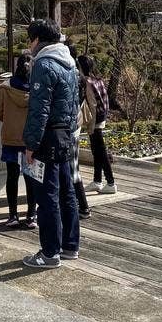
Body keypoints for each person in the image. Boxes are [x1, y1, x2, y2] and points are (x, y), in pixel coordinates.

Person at [21, 18, 79, 269]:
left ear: (36, 40)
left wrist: (31, 144)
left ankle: (49, 253)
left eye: (30, 40)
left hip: (47, 137)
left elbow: (38, 109)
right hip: (66, 133)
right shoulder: (69, 63)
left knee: (47, 196)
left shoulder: (44, 64)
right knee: (67, 192)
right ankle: (70, 246)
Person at [0, 52, 37, 229]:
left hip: (10, 137)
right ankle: (31, 215)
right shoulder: (36, 88)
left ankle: (12, 215)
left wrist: (11, 119)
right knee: (30, 177)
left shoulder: (5, 88)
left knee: (12, 176)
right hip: (29, 139)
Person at [77, 54, 118, 194]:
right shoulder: (98, 80)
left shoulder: (87, 82)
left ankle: (111, 182)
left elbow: (92, 105)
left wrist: (90, 126)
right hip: (102, 117)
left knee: (101, 152)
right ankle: (97, 181)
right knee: (96, 151)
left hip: (95, 120)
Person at [65, 43, 91, 218]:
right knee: (73, 167)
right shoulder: (81, 77)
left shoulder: (71, 76)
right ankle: (80, 206)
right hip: (77, 125)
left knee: (71, 169)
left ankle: (82, 206)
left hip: (69, 127)